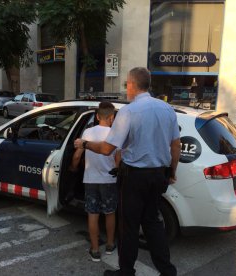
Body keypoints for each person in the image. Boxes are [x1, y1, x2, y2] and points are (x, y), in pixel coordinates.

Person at [74, 67, 181, 276]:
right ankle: (168, 271)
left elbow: (107, 149)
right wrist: (171, 172)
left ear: (132, 85)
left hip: (135, 177)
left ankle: (126, 272)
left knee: (129, 226)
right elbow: (175, 146)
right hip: (158, 174)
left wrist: (85, 144)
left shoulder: (128, 112)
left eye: (126, 84)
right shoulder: (167, 109)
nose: (126, 88)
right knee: (153, 223)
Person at [70, 101, 121, 262]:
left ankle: (95, 249)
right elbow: (118, 161)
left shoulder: (87, 133)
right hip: (109, 181)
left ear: (98, 116)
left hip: (91, 180)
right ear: (112, 117)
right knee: (110, 213)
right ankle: (111, 245)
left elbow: (77, 155)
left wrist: (73, 167)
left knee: (93, 214)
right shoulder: (115, 134)